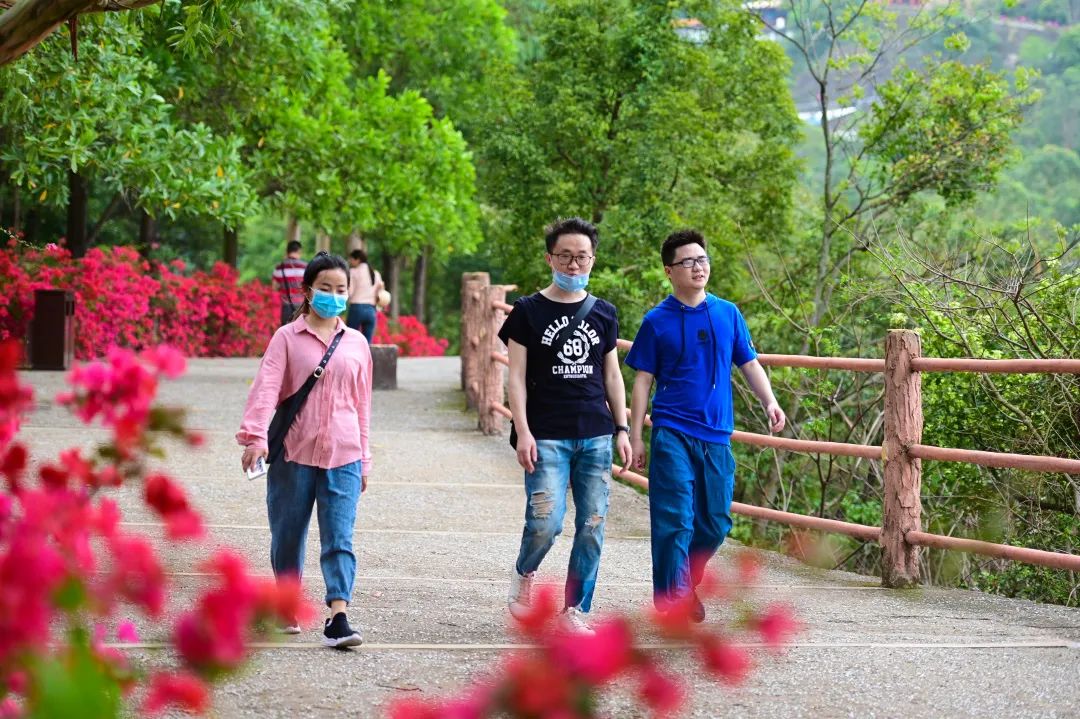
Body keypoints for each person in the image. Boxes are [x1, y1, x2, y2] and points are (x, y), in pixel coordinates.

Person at [625, 229, 785, 621]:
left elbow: (748, 362)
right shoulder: (656, 321)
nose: (698, 267)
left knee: (715, 523)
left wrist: (770, 401)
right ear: (669, 271)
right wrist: (635, 436)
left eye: (703, 260)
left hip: (716, 435)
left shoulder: (727, 313)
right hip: (671, 431)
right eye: (688, 262)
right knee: (674, 519)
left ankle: (686, 581)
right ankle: (674, 599)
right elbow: (642, 380)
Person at [498, 217, 632, 635]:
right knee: (546, 522)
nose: (574, 266)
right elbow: (515, 377)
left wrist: (623, 429)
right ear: (550, 258)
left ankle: (574, 608)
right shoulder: (527, 312)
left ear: (593, 260)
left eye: (582, 258)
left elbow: (612, 376)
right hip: (546, 434)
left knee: (592, 524)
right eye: (565, 257)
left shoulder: (604, 313)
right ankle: (524, 573)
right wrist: (522, 430)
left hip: (595, 431)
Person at [237, 251, 373, 648]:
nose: (333, 296)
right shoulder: (286, 338)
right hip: (294, 453)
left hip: (344, 455)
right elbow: (265, 391)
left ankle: (338, 616)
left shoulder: (357, 344)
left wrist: (365, 458)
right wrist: (255, 437)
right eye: (326, 288)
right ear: (308, 291)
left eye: (341, 289)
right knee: (287, 534)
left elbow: (363, 405)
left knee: (340, 538)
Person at [345, 249, 383, 343]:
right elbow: (379, 292)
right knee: (367, 343)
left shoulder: (353, 272)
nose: (350, 262)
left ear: (357, 259)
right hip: (371, 310)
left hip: (356, 308)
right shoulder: (375, 273)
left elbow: (350, 292)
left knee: (349, 339)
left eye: (351, 259)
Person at [272, 240, 307, 327]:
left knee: (286, 333)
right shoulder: (306, 267)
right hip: (302, 307)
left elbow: (274, 287)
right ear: (299, 251)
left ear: (287, 252)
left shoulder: (280, 267)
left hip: (286, 307)